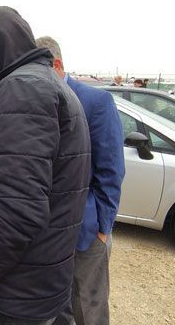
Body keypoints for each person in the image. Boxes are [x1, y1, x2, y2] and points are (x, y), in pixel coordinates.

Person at [0, 6, 91, 325]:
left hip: (17, 291)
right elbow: (48, 185)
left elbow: (21, 213)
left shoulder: (22, 89)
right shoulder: (48, 83)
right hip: (42, 278)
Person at [36, 36, 125, 325]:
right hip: (49, 231)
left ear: (57, 64)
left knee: (88, 303)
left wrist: (103, 225)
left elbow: (111, 169)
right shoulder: (39, 100)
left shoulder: (96, 101)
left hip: (86, 232)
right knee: (59, 303)